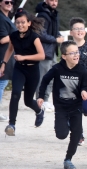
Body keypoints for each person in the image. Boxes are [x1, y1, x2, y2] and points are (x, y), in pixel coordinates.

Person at [37, 40, 87, 169]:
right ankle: (64, 124)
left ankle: (68, 159)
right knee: (61, 135)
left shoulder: (82, 70)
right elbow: (45, 80)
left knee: (76, 135)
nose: (76, 55)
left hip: (76, 106)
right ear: (64, 56)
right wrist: (41, 96)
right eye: (72, 53)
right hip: (61, 107)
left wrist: (84, 91)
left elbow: (86, 85)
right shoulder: (57, 68)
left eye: (77, 52)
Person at [0, 8, 45, 136]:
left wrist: (24, 57)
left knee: (28, 101)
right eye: (18, 22)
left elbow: (41, 55)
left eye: (23, 22)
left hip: (33, 70)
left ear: (29, 23)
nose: (20, 25)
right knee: (15, 94)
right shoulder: (13, 36)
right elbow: (9, 50)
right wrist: (3, 64)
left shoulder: (34, 37)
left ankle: (39, 111)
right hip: (19, 68)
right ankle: (12, 125)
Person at [69, 17, 87, 145]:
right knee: (75, 110)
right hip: (73, 83)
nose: (79, 31)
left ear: (85, 32)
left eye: (81, 29)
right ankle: (78, 135)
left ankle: (85, 110)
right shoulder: (68, 47)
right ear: (71, 32)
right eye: (76, 29)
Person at [35, 0, 64, 112]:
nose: (54, 2)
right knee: (42, 77)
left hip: (52, 51)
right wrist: (56, 39)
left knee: (52, 77)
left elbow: (53, 31)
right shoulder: (42, 15)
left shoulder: (54, 14)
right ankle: (39, 100)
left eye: (56, 0)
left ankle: (46, 100)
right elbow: (40, 33)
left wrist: (58, 35)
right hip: (44, 51)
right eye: (52, 0)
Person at [0, 0, 16, 121]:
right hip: (2, 55)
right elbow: (3, 39)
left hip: (6, 55)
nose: (10, 3)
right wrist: (19, 34)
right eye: (7, 1)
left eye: (12, 2)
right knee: (1, 84)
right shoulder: (1, 19)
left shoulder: (6, 18)